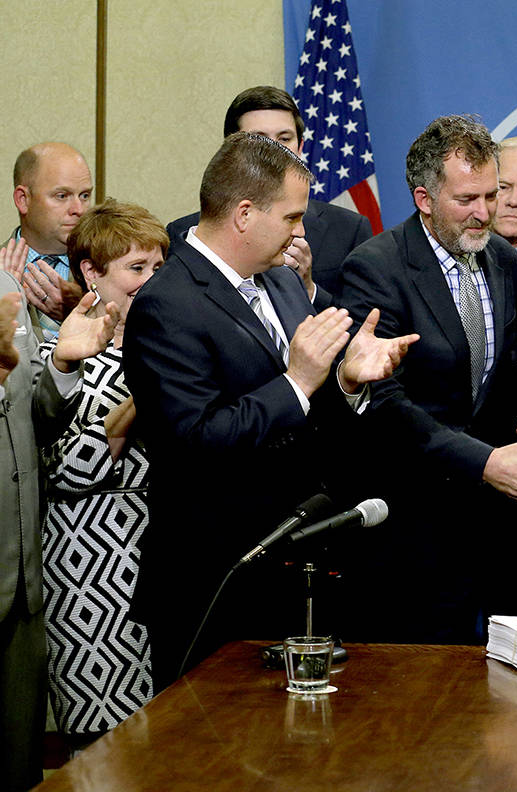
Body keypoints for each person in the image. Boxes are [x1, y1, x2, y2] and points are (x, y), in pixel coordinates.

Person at [125, 132, 415, 686]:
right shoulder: (166, 303)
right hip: (216, 582)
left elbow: (309, 416)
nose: (302, 232)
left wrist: (347, 383)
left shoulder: (282, 283)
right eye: (291, 217)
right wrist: (298, 379)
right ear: (243, 214)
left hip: (295, 572)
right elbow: (196, 441)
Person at [339, 115, 517, 643]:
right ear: (424, 198)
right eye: (468, 200)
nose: (486, 213)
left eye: (491, 194)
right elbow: (385, 405)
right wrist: (483, 462)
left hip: (494, 530)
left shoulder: (504, 260)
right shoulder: (376, 267)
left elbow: (509, 374)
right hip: (412, 530)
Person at [37, 200, 167, 748]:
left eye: (159, 269)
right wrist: (147, 387)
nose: (151, 282)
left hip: (160, 567)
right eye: (135, 269)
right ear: (91, 272)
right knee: (105, 754)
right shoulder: (58, 357)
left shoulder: (170, 345)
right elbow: (68, 468)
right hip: (90, 578)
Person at [2, 241, 118, 792]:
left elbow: (36, 417)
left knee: (21, 764)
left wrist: (64, 364)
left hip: (22, 581)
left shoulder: (7, 291)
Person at [166, 86, 372, 300]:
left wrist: (309, 290)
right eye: (259, 139)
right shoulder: (186, 233)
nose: (275, 149)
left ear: (300, 146)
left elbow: (360, 323)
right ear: (230, 149)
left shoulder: (349, 229)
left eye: (284, 139)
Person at [10, 142, 93, 338]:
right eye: (62, 195)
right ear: (23, 199)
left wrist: (84, 311)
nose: (78, 209)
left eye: (85, 195)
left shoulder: (111, 267)